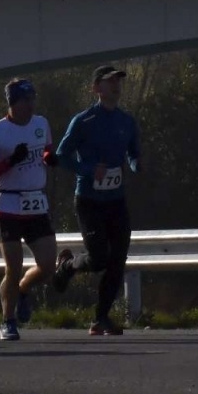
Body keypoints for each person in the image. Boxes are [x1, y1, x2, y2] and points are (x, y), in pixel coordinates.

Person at [52, 64, 142, 336]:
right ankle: (67, 265)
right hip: (89, 200)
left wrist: (136, 164)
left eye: (118, 81)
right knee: (100, 258)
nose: (116, 85)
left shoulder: (126, 121)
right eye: (109, 81)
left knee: (118, 259)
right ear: (96, 88)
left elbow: (133, 152)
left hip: (116, 200)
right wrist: (90, 170)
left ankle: (100, 318)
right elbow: (60, 156)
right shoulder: (83, 121)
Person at [0, 78, 57, 341]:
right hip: (9, 205)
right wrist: (10, 161)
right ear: (13, 103)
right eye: (26, 100)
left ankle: (23, 289)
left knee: (47, 265)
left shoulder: (40, 123)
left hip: (36, 203)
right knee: (13, 266)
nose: (31, 105)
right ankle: (8, 320)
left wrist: (50, 158)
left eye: (33, 99)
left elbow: (46, 150)